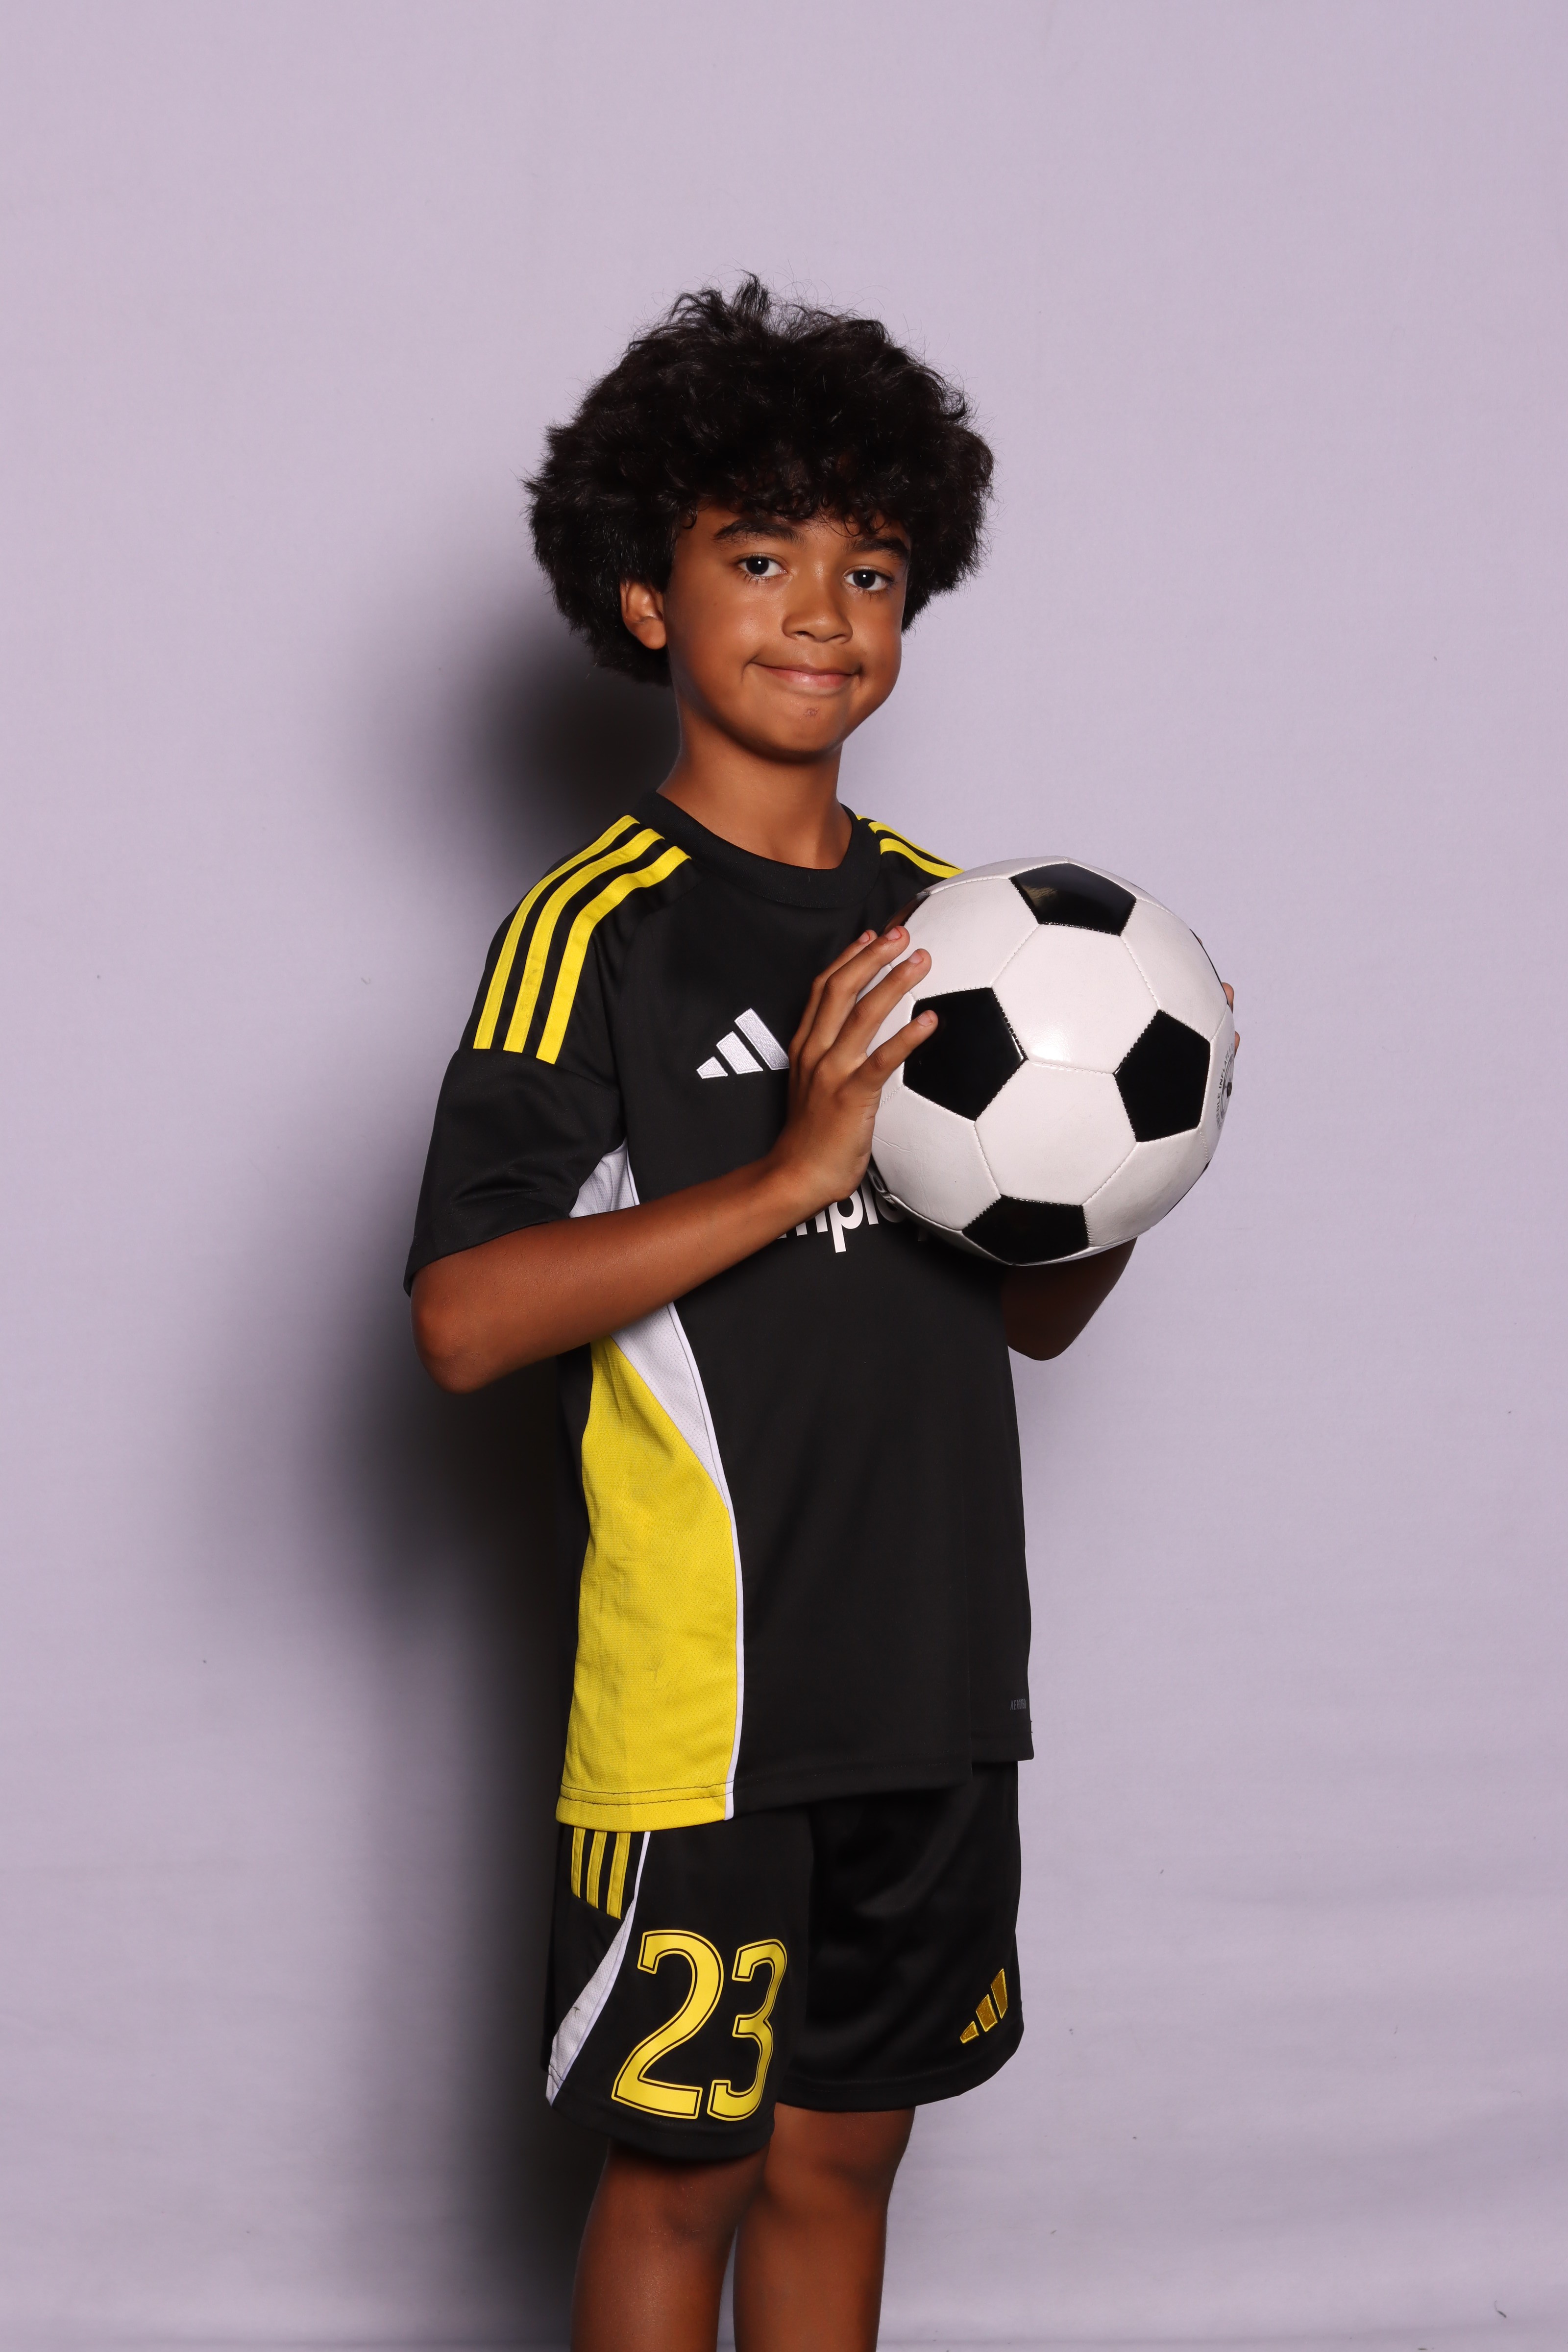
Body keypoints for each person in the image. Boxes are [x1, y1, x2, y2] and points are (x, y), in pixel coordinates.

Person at [406, 280, 1137, 2352]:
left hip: (936, 1680)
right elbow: (464, 1319)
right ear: (645, 596)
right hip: (704, 1712)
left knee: (840, 2162)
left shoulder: (965, 934)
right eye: (758, 559)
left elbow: (1031, 1319)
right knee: (684, 2178)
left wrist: (1123, 1160)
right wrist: (791, 1170)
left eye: (869, 569)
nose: (822, 612)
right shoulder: (595, 931)